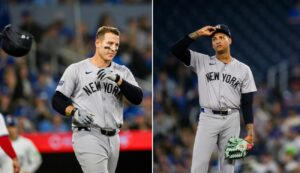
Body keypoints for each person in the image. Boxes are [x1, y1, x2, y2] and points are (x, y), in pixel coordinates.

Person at [51, 26, 143, 173]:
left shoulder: (122, 71)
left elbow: (138, 98)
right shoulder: (77, 69)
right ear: (98, 43)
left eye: (116, 45)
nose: (113, 48)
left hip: (114, 137)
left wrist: (119, 81)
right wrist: (74, 112)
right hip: (88, 134)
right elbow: (57, 99)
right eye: (110, 43)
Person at [170, 24, 257, 173]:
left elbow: (247, 103)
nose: (217, 41)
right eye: (214, 39)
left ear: (230, 40)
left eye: (221, 37)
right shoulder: (202, 61)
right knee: (198, 165)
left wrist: (250, 132)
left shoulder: (244, 69)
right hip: (208, 117)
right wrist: (198, 33)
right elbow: (176, 50)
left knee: (228, 167)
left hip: (232, 119)